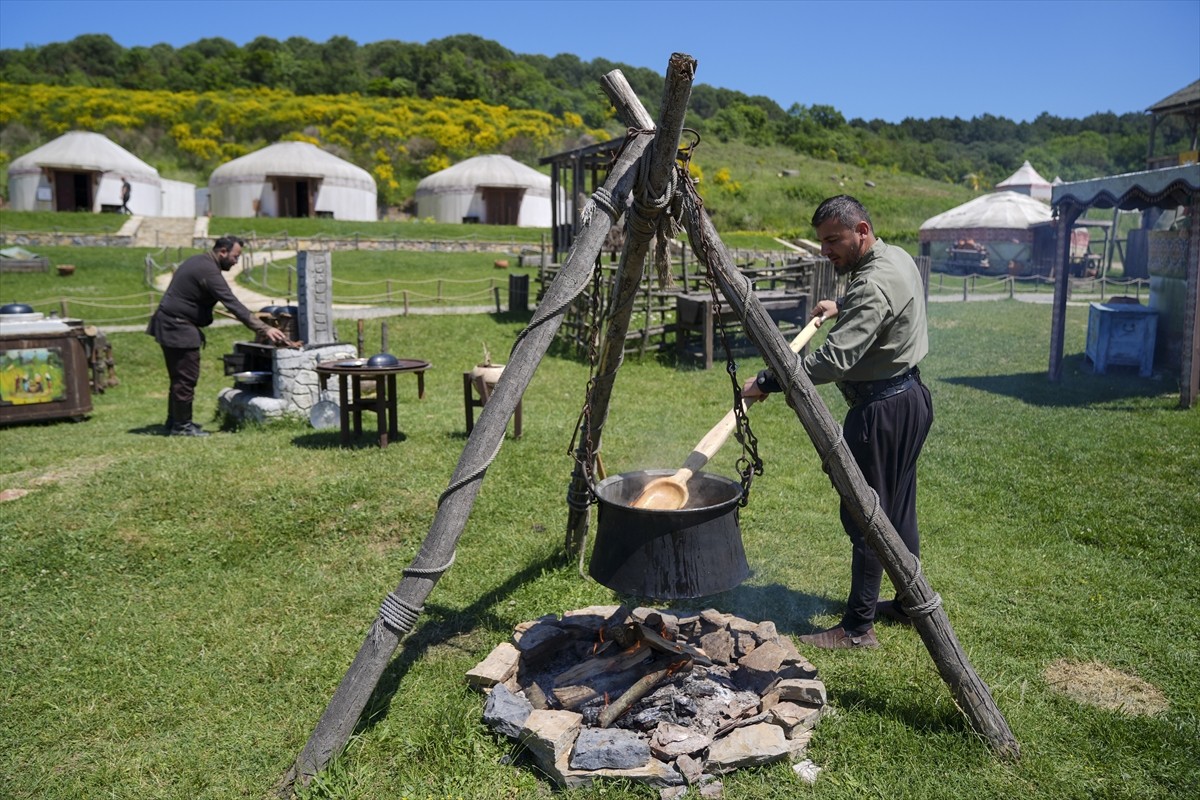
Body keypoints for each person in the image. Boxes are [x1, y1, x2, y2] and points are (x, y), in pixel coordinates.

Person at [742, 195, 933, 649]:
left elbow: (833, 360)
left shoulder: (872, 285)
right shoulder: (895, 257)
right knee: (896, 508)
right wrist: (839, 306)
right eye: (822, 242)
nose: (826, 251)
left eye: (834, 240)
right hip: (910, 399)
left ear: (861, 230)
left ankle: (857, 628)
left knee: (866, 514)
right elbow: (877, 298)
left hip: (881, 412)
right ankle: (909, 602)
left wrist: (770, 380)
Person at [147, 236, 289, 437]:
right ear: (222, 251)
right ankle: (181, 427)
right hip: (178, 327)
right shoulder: (208, 271)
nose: (236, 261)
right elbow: (233, 303)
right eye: (235, 256)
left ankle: (176, 422)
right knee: (185, 379)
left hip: (172, 323)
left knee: (179, 378)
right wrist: (264, 329)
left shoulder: (197, 261)